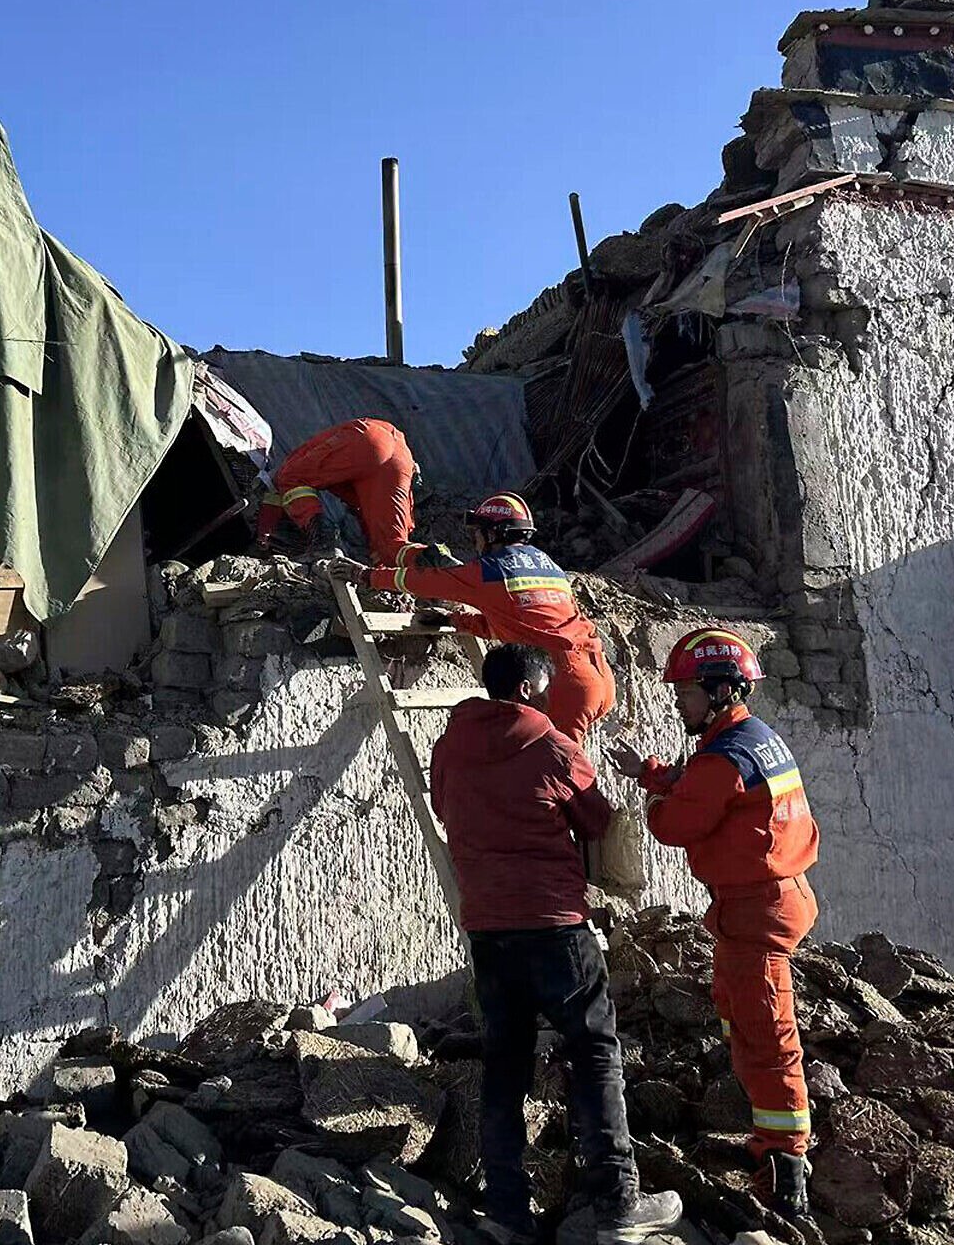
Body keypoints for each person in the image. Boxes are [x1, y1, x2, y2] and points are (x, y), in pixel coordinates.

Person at [430, 642, 683, 1245]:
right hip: (556, 927)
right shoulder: (552, 748)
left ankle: (507, 1214)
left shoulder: (449, 746)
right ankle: (619, 1205)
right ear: (523, 690)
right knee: (595, 1051)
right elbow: (599, 823)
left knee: (505, 1064)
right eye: (544, 691)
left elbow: (444, 808)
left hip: (488, 929)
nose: (550, 701)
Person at [605, 628, 821, 1219]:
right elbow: (706, 787)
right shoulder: (748, 739)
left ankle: (784, 1167)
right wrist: (651, 772)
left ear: (721, 689)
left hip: (758, 910)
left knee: (768, 1036)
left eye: (686, 692)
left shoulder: (725, 756)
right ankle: (763, 1124)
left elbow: (677, 822)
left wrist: (649, 804)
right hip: (764, 900)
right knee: (738, 1007)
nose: (678, 702)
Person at [328, 492, 617, 739]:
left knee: (553, 782)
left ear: (493, 534)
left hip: (563, 684)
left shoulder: (491, 571)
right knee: (555, 772)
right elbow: (517, 624)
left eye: (478, 534)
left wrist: (365, 575)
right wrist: (455, 621)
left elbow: (424, 580)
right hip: (599, 677)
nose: (476, 542)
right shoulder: (548, 566)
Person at [256, 418, 425, 566]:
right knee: (391, 547)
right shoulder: (362, 491)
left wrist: (263, 534)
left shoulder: (296, 460)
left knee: (290, 477)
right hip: (401, 458)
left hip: (368, 437)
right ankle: (441, 565)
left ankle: (324, 540)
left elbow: (278, 484)